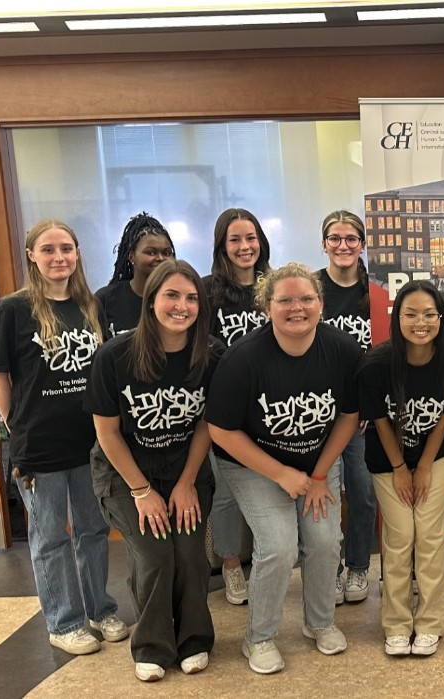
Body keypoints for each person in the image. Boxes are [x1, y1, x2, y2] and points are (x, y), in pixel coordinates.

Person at [206, 262, 361, 674]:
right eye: (285, 300)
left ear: (321, 304)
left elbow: (349, 415)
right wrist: (280, 474)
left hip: (316, 462)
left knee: (324, 540)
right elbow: (220, 430)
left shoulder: (342, 350)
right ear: (267, 306)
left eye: (307, 298)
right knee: (278, 545)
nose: (297, 308)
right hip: (253, 465)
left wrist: (318, 475)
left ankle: (320, 623)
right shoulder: (243, 358)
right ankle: (258, 638)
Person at [0, 219, 127, 655]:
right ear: (32, 256)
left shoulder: (90, 305)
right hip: (39, 444)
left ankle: (100, 609)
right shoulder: (11, 310)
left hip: (88, 441)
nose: (59, 257)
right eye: (48, 249)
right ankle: (63, 622)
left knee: (93, 529)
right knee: (50, 537)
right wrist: (14, 422)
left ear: (77, 253)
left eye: (66, 248)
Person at [86, 259, 222, 682]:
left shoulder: (211, 354)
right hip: (125, 473)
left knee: (191, 555)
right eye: (172, 295)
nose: (182, 306)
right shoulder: (114, 356)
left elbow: (206, 424)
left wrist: (186, 483)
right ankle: (152, 646)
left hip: (186, 470)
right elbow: (107, 433)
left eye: (191, 298)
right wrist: (143, 492)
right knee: (156, 554)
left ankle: (194, 640)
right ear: (150, 301)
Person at [358, 280, 444, 657]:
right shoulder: (376, 364)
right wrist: (399, 466)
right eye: (410, 314)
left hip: (435, 455)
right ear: (397, 319)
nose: (420, 323)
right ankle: (396, 624)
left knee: (429, 534)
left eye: (428, 314)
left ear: (441, 318)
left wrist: (423, 465)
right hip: (386, 458)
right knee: (400, 535)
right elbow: (378, 419)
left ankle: (429, 623)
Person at [202, 207, 272, 606]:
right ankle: (230, 564)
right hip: (224, 412)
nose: (245, 247)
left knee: (271, 489)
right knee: (227, 494)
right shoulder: (206, 291)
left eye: (251, 238)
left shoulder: (274, 286)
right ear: (221, 246)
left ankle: (267, 563)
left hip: (272, 409)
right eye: (235, 240)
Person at [316, 210, 377, 607]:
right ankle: (330, 571)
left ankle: (358, 566)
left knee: (363, 491)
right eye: (335, 238)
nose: (343, 245)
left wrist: (372, 401)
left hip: (362, 414)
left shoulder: (375, 289)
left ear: (362, 245)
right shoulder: (311, 288)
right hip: (319, 411)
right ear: (324, 244)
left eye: (351, 238)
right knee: (325, 495)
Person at [95, 212, 176, 335]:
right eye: (151, 252)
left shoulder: (180, 298)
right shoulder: (106, 299)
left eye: (167, 253)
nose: (160, 258)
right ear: (132, 256)